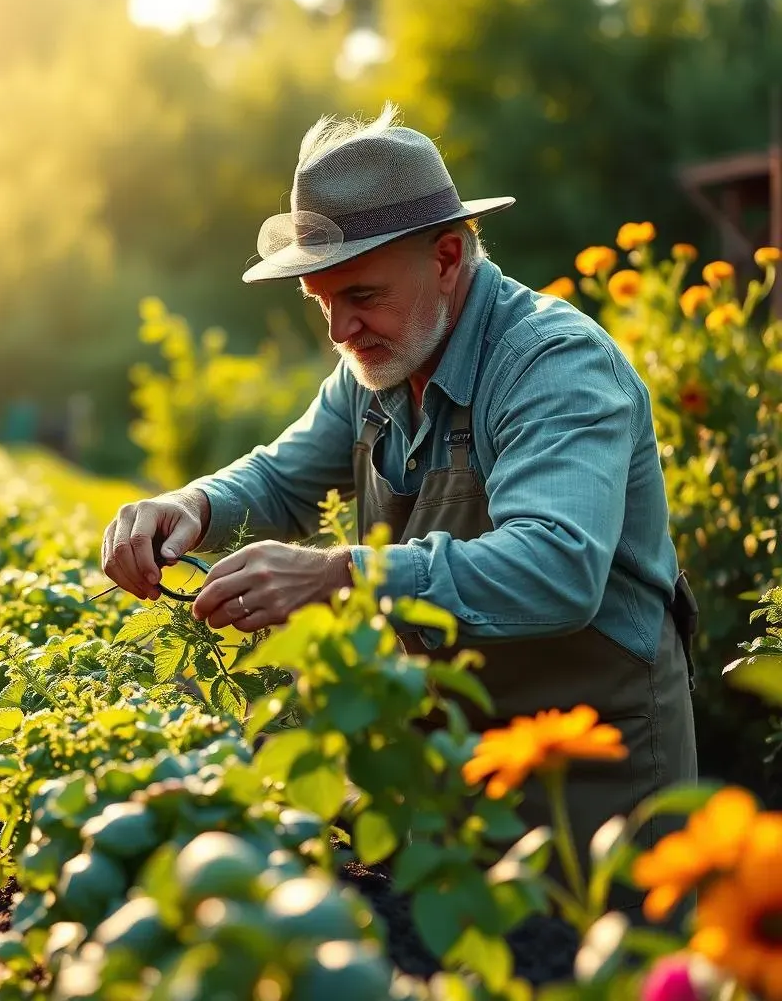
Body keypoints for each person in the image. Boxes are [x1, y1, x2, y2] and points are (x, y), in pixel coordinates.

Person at [101, 102, 699, 906]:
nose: (341, 329)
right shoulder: (377, 367)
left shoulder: (551, 365)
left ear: (448, 255)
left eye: (362, 296)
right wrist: (192, 506)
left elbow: (559, 567)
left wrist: (342, 574)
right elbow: (281, 478)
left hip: (591, 768)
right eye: (322, 303)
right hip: (453, 756)